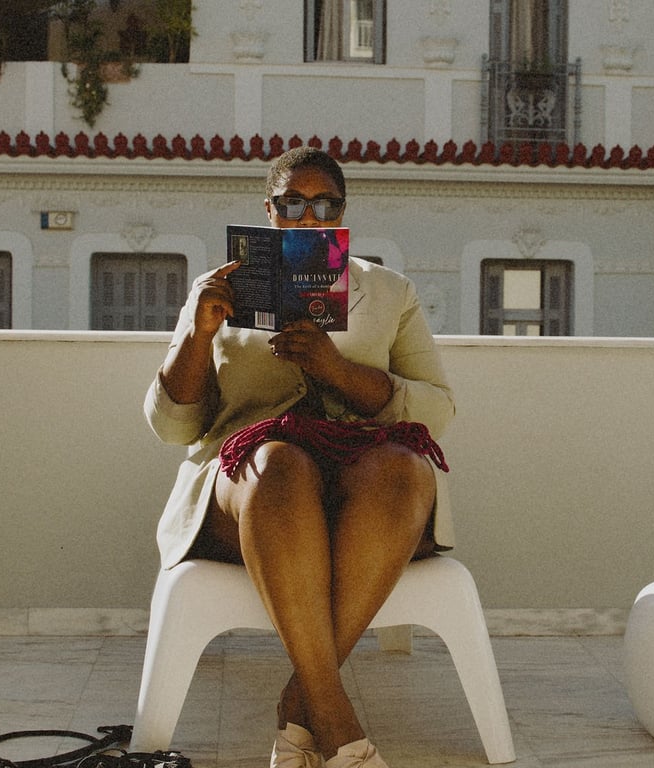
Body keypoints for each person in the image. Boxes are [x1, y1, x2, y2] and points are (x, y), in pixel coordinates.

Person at [144, 146, 456, 768]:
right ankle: (336, 722)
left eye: (324, 205)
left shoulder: (388, 291)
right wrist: (200, 336)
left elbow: (436, 409)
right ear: (269, 210)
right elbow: (173, 426)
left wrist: (336, 370)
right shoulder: (219, 291)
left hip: (360, 485)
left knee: (404, 467)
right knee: (281, 463)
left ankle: (299, 704)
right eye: (292, 204)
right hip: (250, 491)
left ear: (343, 211)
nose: (309, 217)